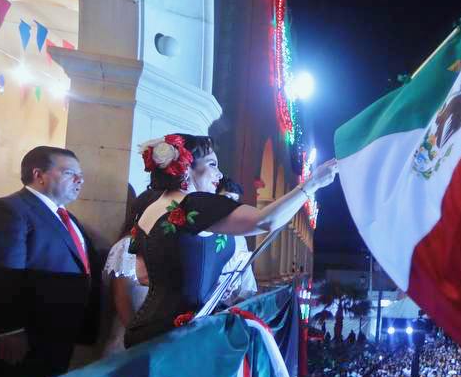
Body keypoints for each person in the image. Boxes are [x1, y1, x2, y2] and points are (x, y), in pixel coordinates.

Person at [124, 134, 334, 347]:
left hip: (145, 332)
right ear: (186, 167)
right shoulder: (194, 204)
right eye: (212, 164)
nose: (219, 173)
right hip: (180, 340)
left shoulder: (146, 207)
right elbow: (265, 221)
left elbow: (142, 275)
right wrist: (312, 185)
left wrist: (187, 279)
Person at [0, 145, 99, 377]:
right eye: (70, 173)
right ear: (39, 175)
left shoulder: (66, 217)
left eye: (80, 175)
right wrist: (10, 329)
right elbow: (0, 275)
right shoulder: (5, 210)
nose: (79, 180)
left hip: (53, 335)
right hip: (19, 339)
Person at [101, 190, 157, 354]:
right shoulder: (129, 246)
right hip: (131, 335)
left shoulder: (161, 245)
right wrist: (137, 336)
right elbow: (121, 296)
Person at [213, 177, 257, 302]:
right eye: (227, 198)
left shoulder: (239, 236)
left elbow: (247, 284)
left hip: (226, 307)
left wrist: (238, 300)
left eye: (235, 201)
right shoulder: (203, 230)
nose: (232, 204)